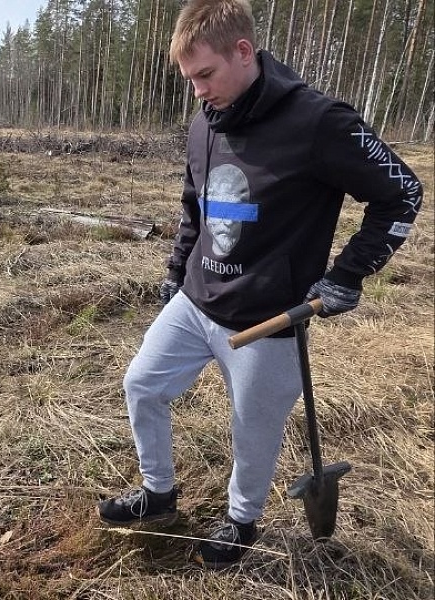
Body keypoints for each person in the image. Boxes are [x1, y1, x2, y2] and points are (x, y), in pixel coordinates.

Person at [97, 0, 422, 571]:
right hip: (196, 301)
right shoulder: (205, 122)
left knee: (253, 430)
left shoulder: (321, 122)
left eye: (206, 74)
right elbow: (194, 208)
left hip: (270, 319)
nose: (197, 92)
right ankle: (159, 492)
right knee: (142, 384)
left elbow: (403, 193)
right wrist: (176, 274)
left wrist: (348, 274)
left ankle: (242, 520)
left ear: (243, 52)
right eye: (188, 79)